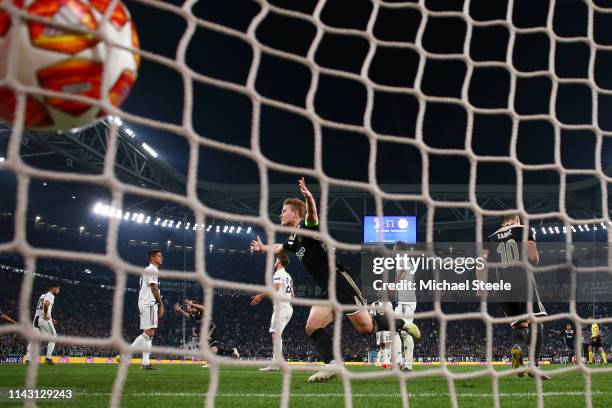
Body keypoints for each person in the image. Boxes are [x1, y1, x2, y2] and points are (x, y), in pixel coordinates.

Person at [250, 177, 420, 382]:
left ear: (295, 214)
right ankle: (332, 364)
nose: (280, 214)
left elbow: (313, 216)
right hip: (325, 288)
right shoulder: (293, 239)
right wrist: (262, 248)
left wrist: (310, 198)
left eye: (284, 211)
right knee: (312, 326)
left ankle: (400, 323)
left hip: (339, 281)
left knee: (365, 328)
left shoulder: (306, 227)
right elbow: (279, 248)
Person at [479, 214, 549, 379]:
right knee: (535, 322)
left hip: (503, 287)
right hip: (523, 281)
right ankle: (534, 365)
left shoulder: (491, 237)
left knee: (519, 326)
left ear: (502, 222)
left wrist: (480, 286)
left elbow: (480, 263)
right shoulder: (524, 230)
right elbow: (533, 259)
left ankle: (517, 353)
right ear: (516, 219)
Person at [250, 254, 294, 371]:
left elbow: (275, 288)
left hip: (281, 308)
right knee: (276, 334)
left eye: (275, 261)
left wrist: (260, 296)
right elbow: (293, 295)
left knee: (275, 334)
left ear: (279, 262)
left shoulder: (278, 273)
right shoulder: (288, 276)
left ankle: (276, 363)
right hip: (288, 308)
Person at [124, 249, 164, 370]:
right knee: (150, 332)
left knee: (150, 334)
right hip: (149, 303)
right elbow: (154, 288)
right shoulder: (152, 269)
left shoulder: (147, 270)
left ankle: (145, 363)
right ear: (152, 258)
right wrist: (161, 304)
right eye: (159, 256)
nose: (161, 258)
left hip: (145, 303)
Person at [174, 299, 239, 363]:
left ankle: (211, 362)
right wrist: (180, 311)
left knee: (209, 348)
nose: (187, 309)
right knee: (213, 349)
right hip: (206, 331)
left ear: (194, 307)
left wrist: (192, 304)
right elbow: (188, 316)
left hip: (211, 329)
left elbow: (204, 308)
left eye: (188, 307)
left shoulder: (201, 311)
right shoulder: (195, 314)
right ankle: (232, 351)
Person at [25, 284, 60, 365]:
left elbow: (42, 307)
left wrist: (51, 318)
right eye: (58, 289)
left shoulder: (42, 295)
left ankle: (28, 359)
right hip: (44, 319)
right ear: (53, 288)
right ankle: (48, 358)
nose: (59, 291)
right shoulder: (50, 295)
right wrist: (46, 315)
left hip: (36, 319)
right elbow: (46, 304)